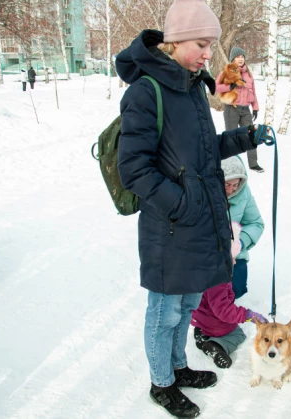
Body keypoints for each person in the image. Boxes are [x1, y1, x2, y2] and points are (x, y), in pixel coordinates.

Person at [114, 0, 274, 417]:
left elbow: (204, 155)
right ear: (176, 41)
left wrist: (246, 137)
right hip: (170, 227)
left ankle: (179, 366)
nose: (209, 54)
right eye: (202, 44)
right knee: (165, 311)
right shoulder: (145, 92)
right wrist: (182, 204)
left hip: (196, 222)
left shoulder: (192, 87)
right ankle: (161, 383)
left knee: (186, 307)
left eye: (211, 45)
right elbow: (133, 169)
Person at [191, 221, 268, 369]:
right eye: (233, 258)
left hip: (200, 315)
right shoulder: (219, 278)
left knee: (207, 317)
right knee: (238, 334)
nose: (234, 261)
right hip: (214, 321)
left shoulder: (202, 267)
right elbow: (223, 311)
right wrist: (248, 315)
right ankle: (216, 345)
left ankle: (201, 331)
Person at [221, 156, 264, 298]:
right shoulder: (205, 192)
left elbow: (255, 223)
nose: (231, 190)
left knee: (236, 290)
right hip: (208, 253)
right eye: (227, 184)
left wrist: (239, 243)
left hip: (234, 252)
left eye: (235, 185)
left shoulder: (244, 193)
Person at [216, 47, 263, 173]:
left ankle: (253, 163)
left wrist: (255, 108)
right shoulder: (227, 71)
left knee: (251, 135)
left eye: (242, 57)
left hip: (245, 109)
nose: (240, 59)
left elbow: (253, 91)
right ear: (233, 59)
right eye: (238, 57)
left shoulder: (248, 74)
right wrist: (231, 85)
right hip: (232, 109)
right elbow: (216, 87)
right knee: (231, 138)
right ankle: (231, 165)